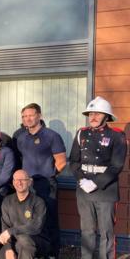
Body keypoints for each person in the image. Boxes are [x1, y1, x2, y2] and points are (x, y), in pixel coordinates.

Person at [69, 96, 127, 259]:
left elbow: (117, 165)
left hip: (105, 190)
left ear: (106, 116)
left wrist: (95, 183)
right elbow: (73, 161)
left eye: (97, 113)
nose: (92, 117)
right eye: (90, 113)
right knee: (86, 231)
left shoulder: (117, 135)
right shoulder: (82, 133)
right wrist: (82, 180)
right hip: (83, 189)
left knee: (106, 232)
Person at [15, 103, 66, 256]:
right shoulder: (21, 137)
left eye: (30, 115)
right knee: (29, 219)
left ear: (39, 116)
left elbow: (62, 162)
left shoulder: (52, 136)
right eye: (24, 116)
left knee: (49, 219)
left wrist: (49, 174)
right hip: (27, 185)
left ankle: (52, 253)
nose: (27, 119)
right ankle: (35, 252)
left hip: (46, 184)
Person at [0, 170, 50, 259]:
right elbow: (5, 226)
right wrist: (8, 249)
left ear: (29, 182)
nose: (19, 183)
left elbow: (36, 227)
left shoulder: (38, 202)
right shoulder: (7, 201)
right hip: (15, 242)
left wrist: (11, 231)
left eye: (23, 180)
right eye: (16, 180)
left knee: (24, 240)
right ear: (13, 182)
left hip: (37, 241)